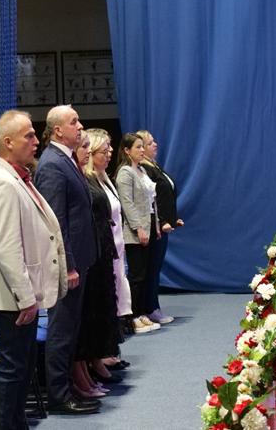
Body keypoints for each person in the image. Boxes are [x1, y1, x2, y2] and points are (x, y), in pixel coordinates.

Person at [0, 110, 68, 429]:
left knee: (21, 370)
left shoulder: (18, 177)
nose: (37, 141)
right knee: (13, 370)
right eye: (29, 136)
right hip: (12, 299)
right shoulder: (3, 183)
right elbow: (6, 247)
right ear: (7, 142)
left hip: (21, 297)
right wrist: (25, 298)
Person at [34, 105, 101, 414]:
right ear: (58, 130)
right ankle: (59, 396)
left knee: (71, 328)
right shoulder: (51, 164)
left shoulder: (65, 159)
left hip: (80, 259)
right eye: (74, 122)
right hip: (67, 266)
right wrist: (69, 265)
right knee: (61, 330)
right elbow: (56, 222)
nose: (80, 125)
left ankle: (68, 387)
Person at [86, 128, 132, 370]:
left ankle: (110, 350)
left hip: (116, 247)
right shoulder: (90, 180)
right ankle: (103, 354)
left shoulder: (105, 178)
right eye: (104, 150)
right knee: (106, 301)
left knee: (116, 298)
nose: (110, 153)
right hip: (103, 250)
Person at [136, 130, 183, 324]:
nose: (155, 144)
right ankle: (150, 308)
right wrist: (162, 221)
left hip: (163, 225)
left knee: (155, 268)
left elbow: (165, 196)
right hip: (155, 226)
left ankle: (152, 306)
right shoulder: (144, 170)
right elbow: (152, 200)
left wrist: (172, 219)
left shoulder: (153, 166)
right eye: (149, 143)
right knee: (151, 269)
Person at [115, 133, 161, 333]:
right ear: (127, 150)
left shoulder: (141, 170)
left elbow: (151, 202)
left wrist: (155, 225)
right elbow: (127, 203)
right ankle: (132, 316)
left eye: (143, 146)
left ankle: (142, 313)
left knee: (145, 274)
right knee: (136, 275)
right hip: (134, 232)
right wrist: (139, 228)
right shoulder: (125, 173)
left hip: (148, 226)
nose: (142, 150)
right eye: (138, 147)